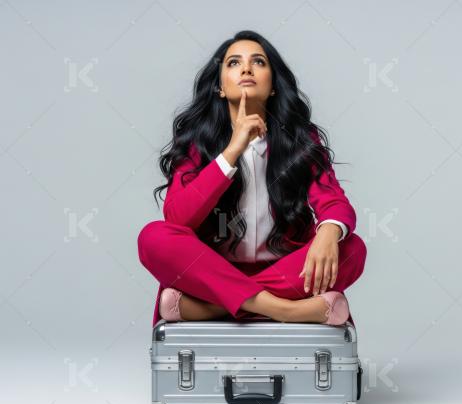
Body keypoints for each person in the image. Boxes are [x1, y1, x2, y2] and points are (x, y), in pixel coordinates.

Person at [137, 30, 367, 328]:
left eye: (258, 62)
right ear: (220, 87)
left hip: (286, 271)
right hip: (211, 269)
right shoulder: (198, 141)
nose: (246, 69)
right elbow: (178, 218)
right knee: (153, 237)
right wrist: (232, 150)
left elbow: (334, 201)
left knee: (352, 249)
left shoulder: (300, 140)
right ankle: (283, 310)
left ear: (273, 86)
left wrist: (329, 232)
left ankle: (213, 308)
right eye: (234, 63)